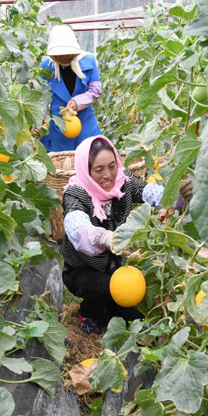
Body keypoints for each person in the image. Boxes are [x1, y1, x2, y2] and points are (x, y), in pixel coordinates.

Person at [62, 135, 194, 337]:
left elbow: (148, 191)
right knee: (104, 288)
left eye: (112, 166)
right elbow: (75, 225)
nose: (108, 175)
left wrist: (176, 198)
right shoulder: (75, 193)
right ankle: (87, 313)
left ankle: (112, 308)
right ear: (87, 171)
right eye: (99, 169)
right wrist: (103, 238)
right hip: (82, 271)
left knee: (132, 313)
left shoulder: (123, 181)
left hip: (117, 266)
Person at [39, 25, 103, 152]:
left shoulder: (89, 60)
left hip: (85, 124)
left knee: (89, 157)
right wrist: (39, 120)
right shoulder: (46, 66)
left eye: (66, 53)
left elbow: (95, 90)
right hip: (60, 127)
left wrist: (77, 102)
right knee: (62, 161)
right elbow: (42, 98)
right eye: (59, 54)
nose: (63, 56)